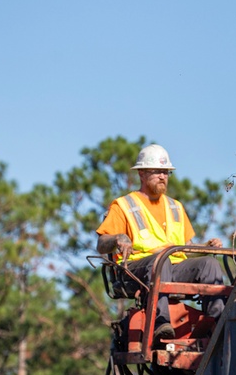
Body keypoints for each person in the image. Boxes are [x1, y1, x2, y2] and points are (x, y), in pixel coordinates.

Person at [96, 144, 225, 339]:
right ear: (141, 174)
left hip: (171, 266)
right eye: (157, 172)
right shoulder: (124, 205)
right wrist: (117, 238)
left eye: (166, 172)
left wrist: (205, 248)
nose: (163, 177)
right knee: (161, 260)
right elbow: (101, 243)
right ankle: (160, 322)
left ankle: (216, 322)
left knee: (210, 264)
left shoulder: (175, 207)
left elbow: (186, 247)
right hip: (136, 269)